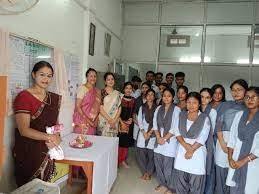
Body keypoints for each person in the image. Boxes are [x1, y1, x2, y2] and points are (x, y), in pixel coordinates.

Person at [13, 61, 61, 186]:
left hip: (47, 149)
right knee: (29, 188)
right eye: (42, 75)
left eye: (49, 76)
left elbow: (55, 123)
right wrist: (50, 137)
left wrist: (57, 138)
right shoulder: (24, 97)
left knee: (45, 187)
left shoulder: (53, 98)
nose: (46, 79)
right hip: (29, 151)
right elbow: (24, 130)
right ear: (34, 75)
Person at [215, 79, 248, 194]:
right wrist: (223, 144)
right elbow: (218, 125)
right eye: (233, 90)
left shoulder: (249, 107)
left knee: (234, 172)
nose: (236, 92)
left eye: (239, 90)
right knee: (221, 172)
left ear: (246, 91)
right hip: (223, 142)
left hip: (240, 145)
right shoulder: (224, 105)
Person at [174, 92, 211, 194]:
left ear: (199, 104)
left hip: (197, 152)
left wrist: (191, 150)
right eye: (189, 102)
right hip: (182, 150)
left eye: (194, 102)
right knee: (181, 181)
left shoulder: (204, 118)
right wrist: (187, 147)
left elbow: (203, 137)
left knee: (196, 183)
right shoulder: (181, 115)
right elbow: (176, 132)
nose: (191, 105)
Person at [226, 86, 259, 194]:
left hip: (253, 162)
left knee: (250, 189)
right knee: (234, 189)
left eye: (254, 97)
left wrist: (243, 161)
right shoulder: (239, 115)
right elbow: (232, 138)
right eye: (247, 97)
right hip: (235, 159)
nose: (250, 100)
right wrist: (230, 158)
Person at [153, 88, 181, 194]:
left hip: (170, 141)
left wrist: (164, 138)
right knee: (158, 164)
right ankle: (162, 183)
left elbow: (175, 127)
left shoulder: (176, 109)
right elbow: (155, 124)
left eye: (169, 96)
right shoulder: (158, 108)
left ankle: (171, 187)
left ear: (173, 97)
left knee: (168, 166)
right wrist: (158, 137)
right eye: (164, 95)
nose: (166, 98)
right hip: (158, 139)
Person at [73, 68, 101, 135]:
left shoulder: (97, 91)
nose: (93, 78)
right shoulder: (82, 88)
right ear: (87, 77)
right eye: (91, 76)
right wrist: (88, 120)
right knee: (81, 142)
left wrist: (96, 120)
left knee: (91, 142)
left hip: (93, 121)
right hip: (82, 121)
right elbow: (78, 106)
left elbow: (98, 107)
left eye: (95, 76)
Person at [136, 89, 157, 180]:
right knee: (141, 155)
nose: (150, 96)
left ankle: (149, 173)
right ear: (146, 96)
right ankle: (144, 172)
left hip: (152, 133)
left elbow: (156, 121)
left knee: (151, 155)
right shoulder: (142, 107)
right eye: (148, 94)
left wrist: (150, 132)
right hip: (142, 133)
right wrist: (144, 132)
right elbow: (139, 120)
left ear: (154, 97)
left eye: (152, 95)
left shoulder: (157, 108)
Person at [200, 88, 217, 194]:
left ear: (210, 99)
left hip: (208, 142)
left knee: (208, 168)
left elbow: (212, 130)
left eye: (207, 97)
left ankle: (208, 191)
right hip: (195, 142)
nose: (203, 100)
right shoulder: (195, 108)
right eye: (201, 96)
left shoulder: (212, 111)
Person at [97, 72, 122, 137]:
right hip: (104, 121)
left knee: (112, 143)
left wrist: (114, 121)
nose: (111, 81)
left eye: (112, 79)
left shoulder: (118, 94)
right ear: (105, 82)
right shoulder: (101, 92)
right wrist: (110, 121)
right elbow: (100, 109)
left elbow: (119, 109)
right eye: (108, 79)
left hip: (114, 121)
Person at [118, 82, 135, 168]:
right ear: (124, 89)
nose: (128, 90)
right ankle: (117, 160)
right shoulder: (120, 98)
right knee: (119, 143)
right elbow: (116, 112)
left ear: (132, 90)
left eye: (130, 88)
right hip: (120, 123)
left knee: (126, 144)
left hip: (129, 124)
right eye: (126, 88)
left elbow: (133, 112)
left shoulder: (133, 100)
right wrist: (121, 122)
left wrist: (131, 119)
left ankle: (123, 160)